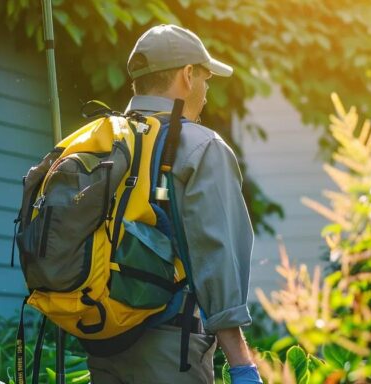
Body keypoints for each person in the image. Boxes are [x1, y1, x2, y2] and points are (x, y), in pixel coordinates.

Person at [84, 25, 264, 384]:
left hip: (102, 343)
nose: (207, 89)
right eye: (206, 77)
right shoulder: (201, 147)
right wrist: (242, 363)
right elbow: (216, 255)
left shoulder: (103, 141)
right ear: (187, 75)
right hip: (171, 349)